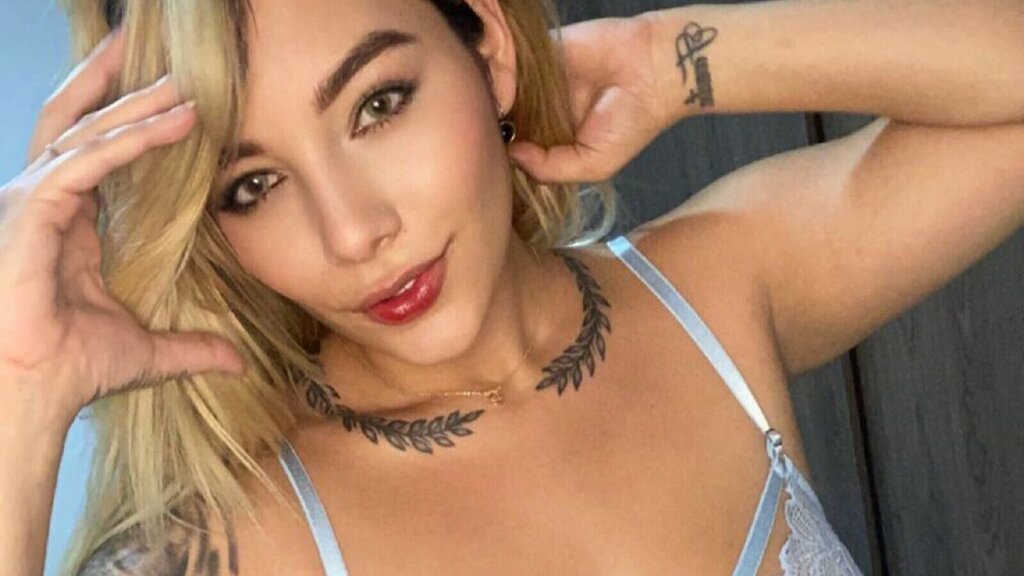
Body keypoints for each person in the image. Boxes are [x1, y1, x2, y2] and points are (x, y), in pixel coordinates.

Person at [1, 0, 1021, 574]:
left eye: (378, 105)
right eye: (253, 185)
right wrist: (20, 391)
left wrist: (663, 59)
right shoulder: (248, 541)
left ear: (485, 48)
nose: (353, 232)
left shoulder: (715, 291)